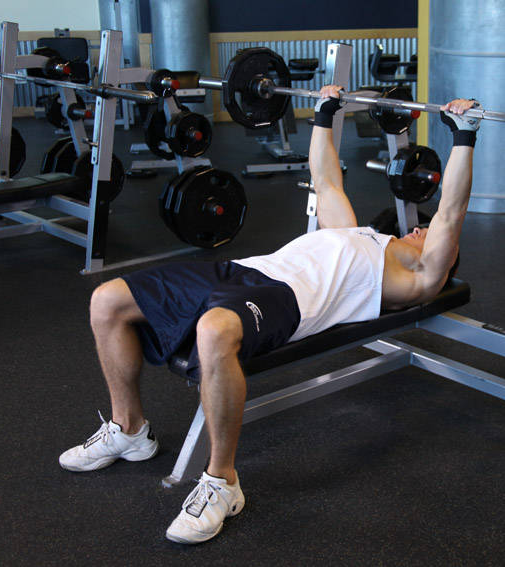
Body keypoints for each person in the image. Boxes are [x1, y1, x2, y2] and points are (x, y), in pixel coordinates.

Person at [59, 85, 481, 544]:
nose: (419, 227)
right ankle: (129, 430)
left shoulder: (416, 275)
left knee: (214, 328)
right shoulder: (358, 234)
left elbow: (451, 213)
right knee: (107, 300)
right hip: (244, 270)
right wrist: (324, 112)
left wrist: (463, 136)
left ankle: (222, 483)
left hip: (290, 299)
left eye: (426, 231)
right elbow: (326, 181)